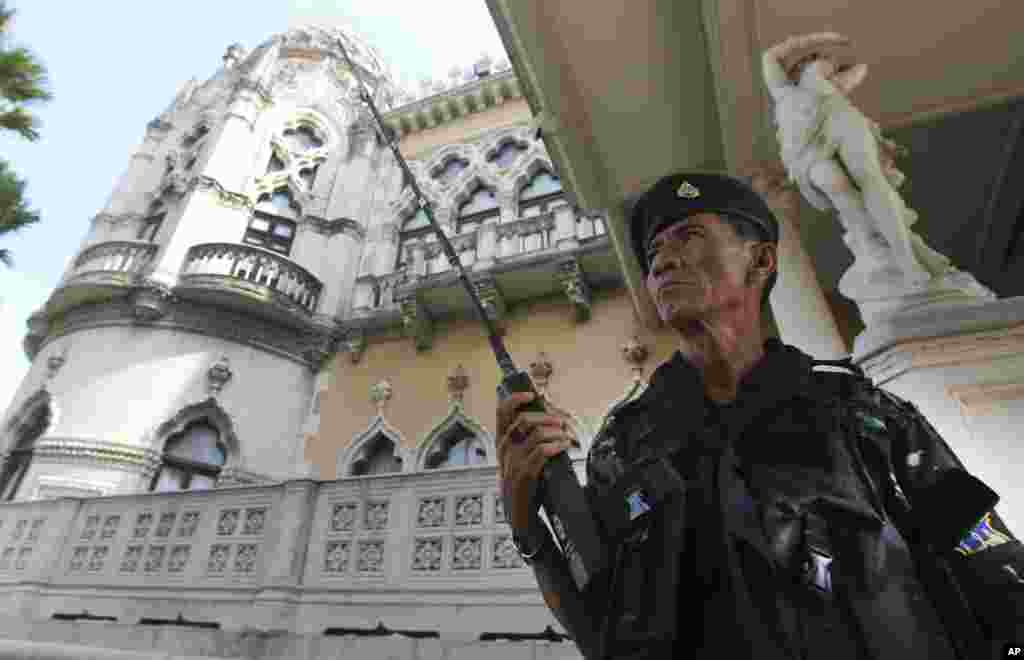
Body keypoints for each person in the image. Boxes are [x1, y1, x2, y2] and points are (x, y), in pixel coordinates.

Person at [496, 171, 1024, 659]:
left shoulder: (864, 411)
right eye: (655, 250)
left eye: (688, 236)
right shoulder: (624, 443)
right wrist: (531, 532)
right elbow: (605, 633)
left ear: (762, 260)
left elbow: (993, 564)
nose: (661, 261)